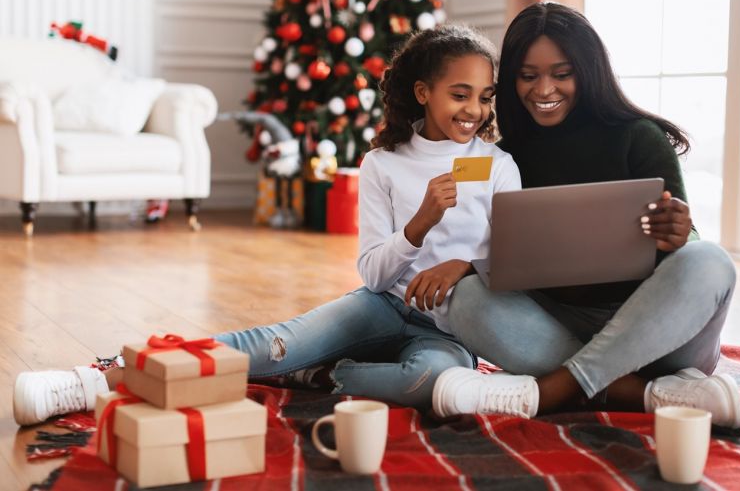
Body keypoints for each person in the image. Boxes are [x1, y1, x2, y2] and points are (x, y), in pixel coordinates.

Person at [13, 24, 522, 426]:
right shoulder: (383, 164)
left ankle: (321, 374)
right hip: (382, 305)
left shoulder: (500, 167)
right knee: (266, 345)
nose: (474, 110)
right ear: (423, 91)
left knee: (431, 382)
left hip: (449, 331)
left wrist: (463, 266)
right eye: (460, 95)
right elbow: (373, 274)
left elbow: (508, 264)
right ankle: (94, 381)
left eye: (485, 97)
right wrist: (418, 226)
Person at [431, 2, 740, 428]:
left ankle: (553, 390)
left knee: (710, 260)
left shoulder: (640, 138)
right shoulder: (504, 158)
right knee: (465, 299)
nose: (544, 90)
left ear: (588, 70)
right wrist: (468, 263)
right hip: (560, 328)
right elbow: (500, 249)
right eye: (528, 76)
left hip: (657, 332)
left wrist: (680, 235)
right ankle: (642, 393)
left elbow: (683, 252)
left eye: (562, 74)